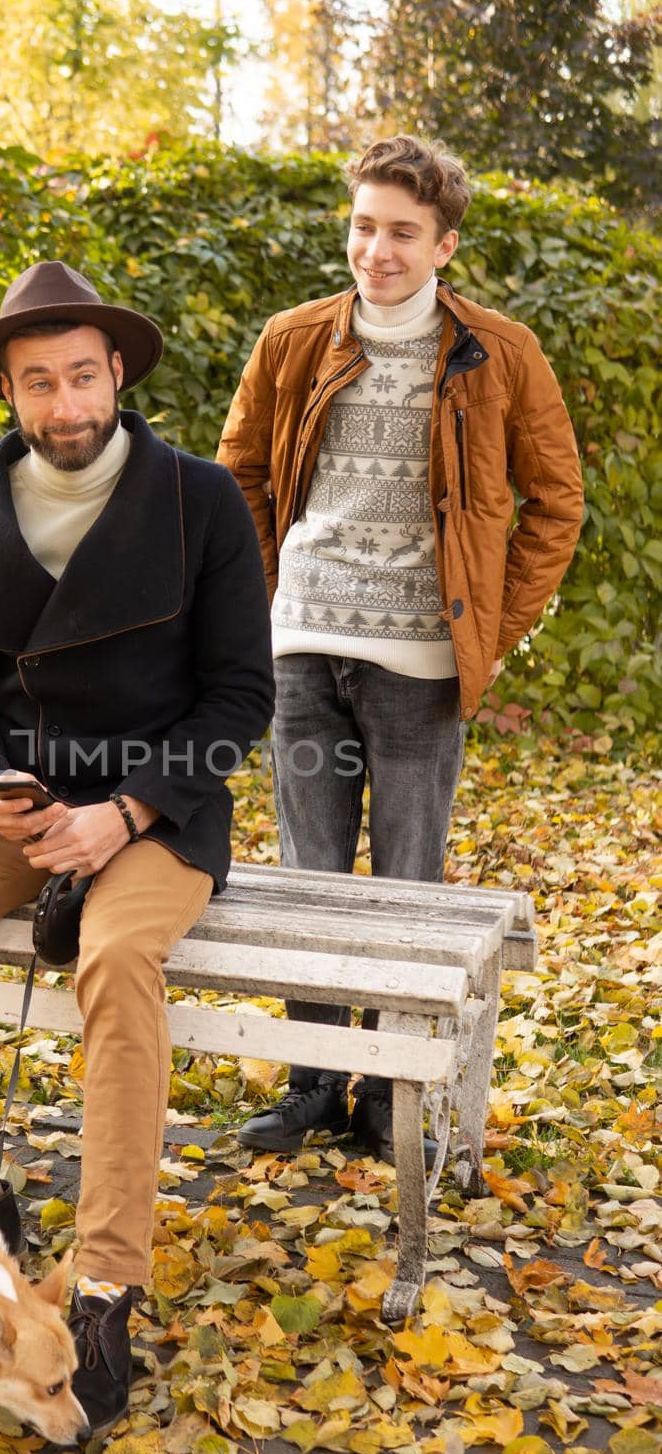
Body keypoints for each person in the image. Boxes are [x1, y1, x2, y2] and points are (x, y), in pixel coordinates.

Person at [0, 261, 274, 1436]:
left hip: (152, 812)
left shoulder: (199, 499)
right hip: (20, 811)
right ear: (11, 396)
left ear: (116, 373)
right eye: (40, 383)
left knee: (116, 967)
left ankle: (104, 1286)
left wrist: (122, 814)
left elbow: (237, 698)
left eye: (83, 374)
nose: (65, 403)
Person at [218, 135, 582, 1163]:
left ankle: (391, 1089)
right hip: (302, 644)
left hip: (422, 662)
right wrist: (263, 601)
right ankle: (311, 1085)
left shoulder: (497, 353)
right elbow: (236, 474)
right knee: (308, 871)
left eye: (401, 233)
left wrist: (492, 629)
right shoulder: (292, 341)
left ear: (443, 246)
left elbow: (556, 501)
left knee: (406, 881)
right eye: (363, 226)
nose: (375, 250)